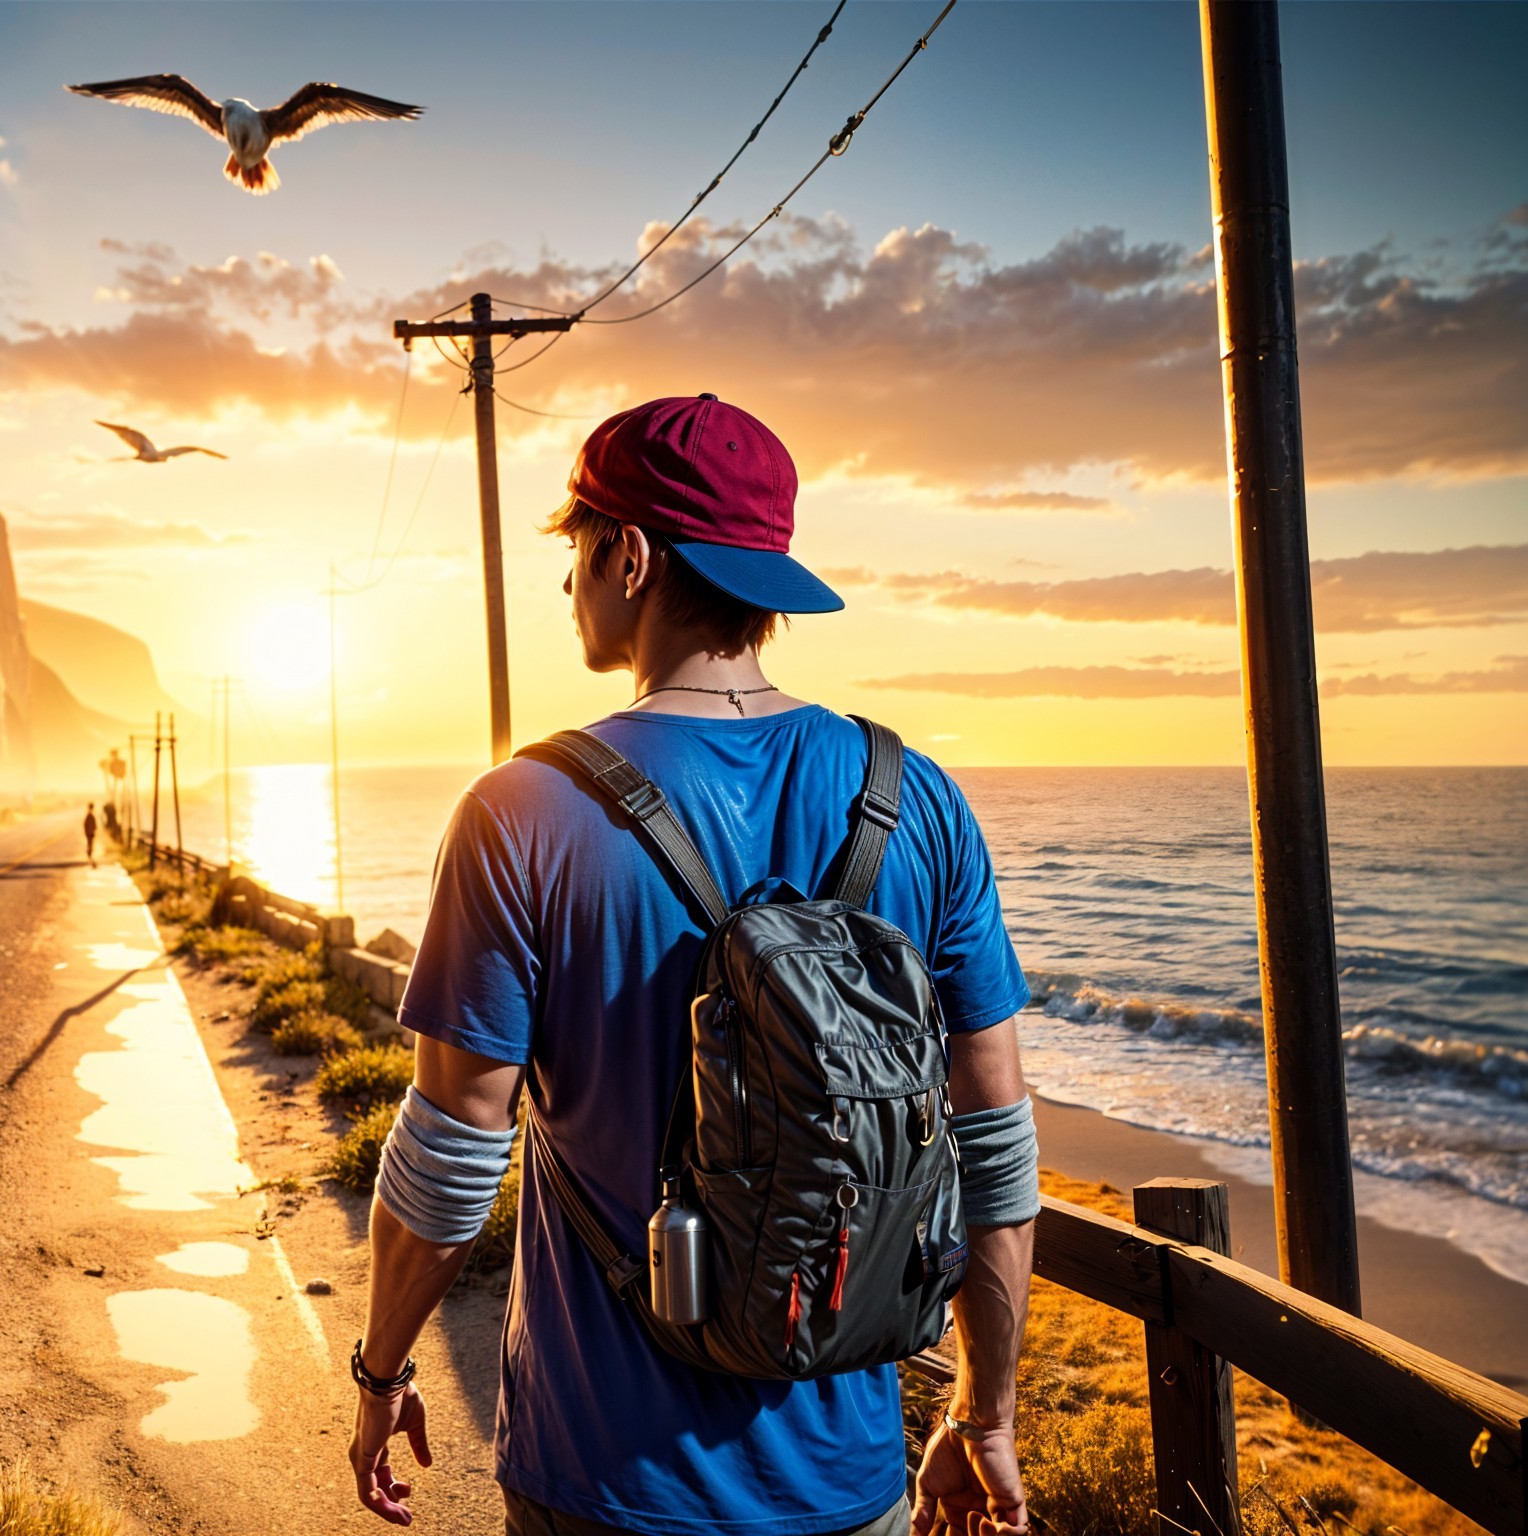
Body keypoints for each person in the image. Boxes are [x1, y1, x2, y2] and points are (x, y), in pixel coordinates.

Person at [349, 396, 1039, 1536]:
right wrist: (985, 1415)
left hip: (605, 1479)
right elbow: (997, 1154)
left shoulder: (523, 810)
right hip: (845, 1481)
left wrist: (381, 1374)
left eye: (575, 548)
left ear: (628, 556)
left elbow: (449, 1168)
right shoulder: (917, 801)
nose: (568, 579)